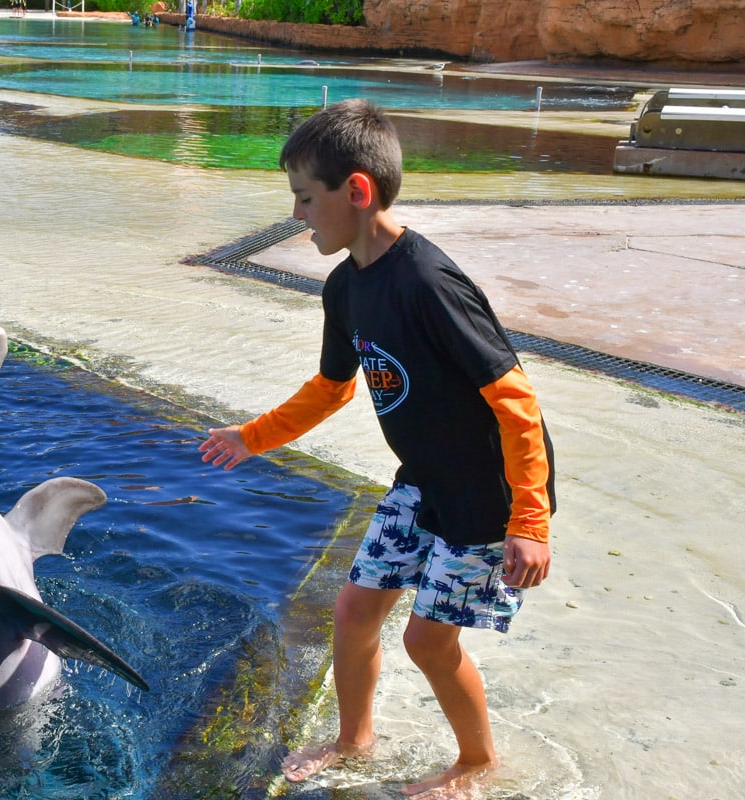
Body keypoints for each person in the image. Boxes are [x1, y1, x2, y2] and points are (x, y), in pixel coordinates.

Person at [198, 99, 555, 798]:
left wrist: (530, 520)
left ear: (355, 191)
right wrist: (251, 437)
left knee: (427, 641)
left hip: (488, 497)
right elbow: (332, 388)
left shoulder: (428, 283)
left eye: (306, 198)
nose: (298, 215)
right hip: (421, 482)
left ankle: (477, 763)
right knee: (355, 609)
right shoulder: (344, 287)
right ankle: (355, 736)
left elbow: (517, 401)